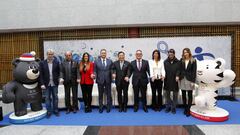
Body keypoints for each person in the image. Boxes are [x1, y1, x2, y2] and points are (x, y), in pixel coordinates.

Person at [39, 49, 60, 118]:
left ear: (53, 55)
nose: (50, 55)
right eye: (49, 54)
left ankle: (56, 110)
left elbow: (59, 72)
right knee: (47, 98)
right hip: (46, 84)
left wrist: (59, 78)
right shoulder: (42, 63)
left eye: (51, 54)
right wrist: (41, 84)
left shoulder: (56, 62)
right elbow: (41, 74)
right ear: (47, 55)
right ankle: (49, 111)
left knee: (55, 97)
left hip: (54, 83)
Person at [179, 48, 197, 117]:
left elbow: (194, 71)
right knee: (183, 94)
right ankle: (185, 108)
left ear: (189, 53)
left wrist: (193, 81)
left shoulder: (193, 60)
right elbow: (180, 69)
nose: (185, 53)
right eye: (184, 52)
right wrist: (178, 76)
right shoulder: (182, 60)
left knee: (189, 95)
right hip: (182, 79)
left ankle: (188, 109)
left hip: (190, 79)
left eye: (186, 52)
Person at [94, 49, 113, 113]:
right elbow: (95, 71)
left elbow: (112, 70)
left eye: (104, 53)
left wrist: (113, 74)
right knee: (100, 94)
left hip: (108, 80)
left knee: (108, 94)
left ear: (106, 54)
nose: (103, 54)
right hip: (100, 80)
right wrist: (94, 75)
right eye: (102, 53)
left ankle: (108, 107)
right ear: (100, 54)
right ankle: (101, 107)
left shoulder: (110, 61)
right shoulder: (96, 61)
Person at [164, 49, 180, 114]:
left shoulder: (178, 62)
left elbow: (179, 70)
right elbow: (163, 70)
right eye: (169, 54)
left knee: (175, 95)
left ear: (174, 54)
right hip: (167, 80)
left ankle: (173, 108)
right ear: (168, 54)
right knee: (167, 95)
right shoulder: (165, 62)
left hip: (175, 80)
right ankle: (168, 106)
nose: (170, 55)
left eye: (172, 54)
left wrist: (177, 75)